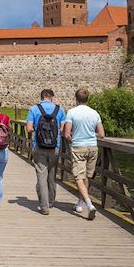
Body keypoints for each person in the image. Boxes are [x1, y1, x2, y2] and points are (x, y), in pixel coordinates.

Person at [62, 88, 105, 221]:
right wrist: (90, 134)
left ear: (76, 99)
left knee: (78, 177)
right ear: (87, 99)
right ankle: (80, 203)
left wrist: (73, 138)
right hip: (92, 147)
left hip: (78, 147)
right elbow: (102, 134)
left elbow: (66, 134)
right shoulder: (94, 113)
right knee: (86, 177)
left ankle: (89, 204)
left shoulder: (72, 112)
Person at [26, 89, 65, 215]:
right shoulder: (60, 110)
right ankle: (51, 201)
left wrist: (37, 129)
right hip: (55, 147)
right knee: (51, 175)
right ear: (52, 97)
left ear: (41, 97)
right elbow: (62, 129)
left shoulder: (34, 109)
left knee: (41, 176)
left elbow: (29, 129)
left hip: (40, 146)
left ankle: (44, 206)